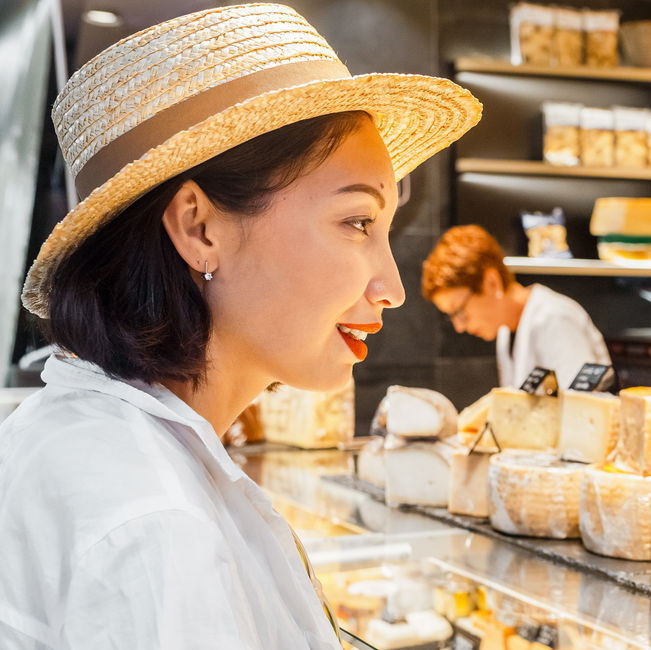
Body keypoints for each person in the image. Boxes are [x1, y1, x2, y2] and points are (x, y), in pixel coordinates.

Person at [0, 5, 480, 648]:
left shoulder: (70, 434)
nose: (391, 289)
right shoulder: (158, 522)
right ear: (199, 228)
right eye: (358, 223)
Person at [422, 225, 610, 387]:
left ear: (492, 283)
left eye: (460, 311)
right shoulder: (505, 331)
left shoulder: (554, 318)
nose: (459, 327)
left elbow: (581, 410)